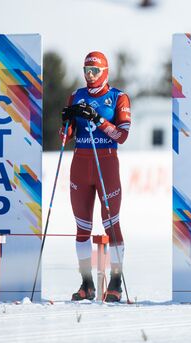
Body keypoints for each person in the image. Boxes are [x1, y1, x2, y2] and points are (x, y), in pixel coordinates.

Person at [60, 51, 131, 302]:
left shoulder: (118, 98)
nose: (90, 76)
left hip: (106, 164)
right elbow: (64, 138)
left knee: (111, 223)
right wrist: (66, 123)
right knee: (82, 228)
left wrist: (98, 119)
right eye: (86, 71)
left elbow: (122, 136)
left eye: (95, 71)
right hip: (80, 164)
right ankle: (86, 284)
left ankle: (115, 283)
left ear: (106, 72)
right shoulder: (76, 96)